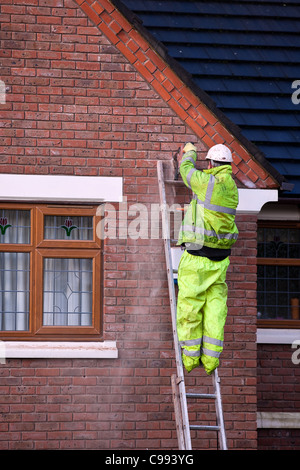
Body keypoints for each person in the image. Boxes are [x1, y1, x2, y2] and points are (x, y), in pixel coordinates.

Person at [176, 142, 239, 375]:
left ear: (211, 164)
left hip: (197, 256)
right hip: (221, 260)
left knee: (190, 306)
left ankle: (191, 359)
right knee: (215, 308)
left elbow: (186, 171)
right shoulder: (232, 187)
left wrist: (189, 152)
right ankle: (211, 361)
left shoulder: (207, 183)